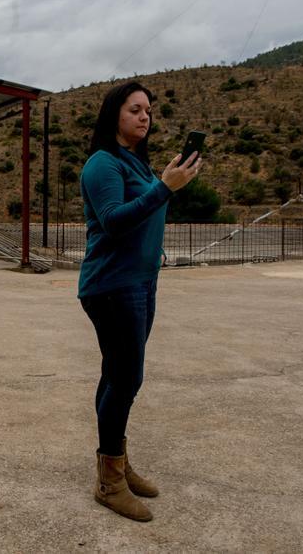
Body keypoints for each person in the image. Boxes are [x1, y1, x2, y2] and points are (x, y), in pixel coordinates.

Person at [78, 81, 201, 521]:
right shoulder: (102, 163)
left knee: (116, 375)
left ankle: (115, 463)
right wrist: (164, 188)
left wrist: (164, 184)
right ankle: (110, 481)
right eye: (135, 109)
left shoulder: (138, 165)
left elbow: (146, 218)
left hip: (140, 283)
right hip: (111, 286)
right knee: (127, 378)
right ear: (115, 115)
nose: (145, 117)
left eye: (148, 110)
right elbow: (113, 222)